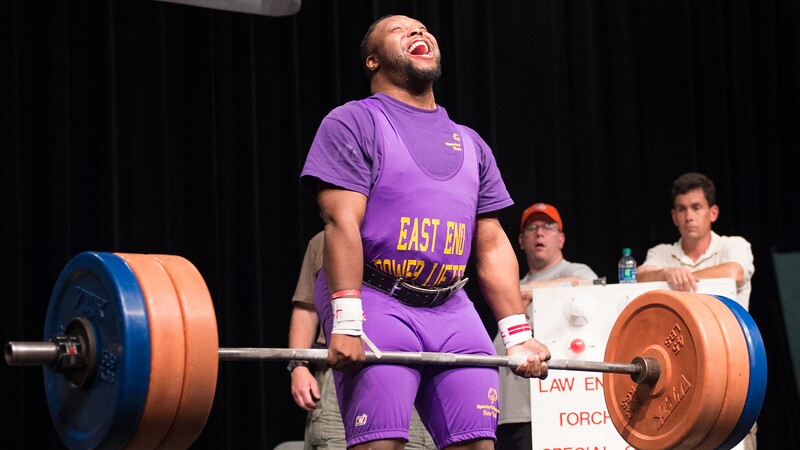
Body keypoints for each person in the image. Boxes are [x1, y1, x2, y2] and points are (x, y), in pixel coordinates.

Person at [300, 14, 551, 450]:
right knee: (383, 444)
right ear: (373, 61)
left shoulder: (471, 143)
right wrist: (346, 320)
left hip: (452, 307)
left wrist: (518, 335)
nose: (418, 32)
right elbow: (340, 223)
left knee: (476, 444)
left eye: (422, 28)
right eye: (400, 30)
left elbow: (491, 246)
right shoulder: (352, 122)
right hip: (375, 299)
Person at [636, 172, 756, 450]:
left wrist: (685, 276)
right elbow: (638, 277)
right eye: (682, 209)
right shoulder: (661, 253)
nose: (689, 216)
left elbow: (735, 272)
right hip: (681, 372)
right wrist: (667, 272)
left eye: (696, 208)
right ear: (674, 216)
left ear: (712, 213)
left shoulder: (733, 245)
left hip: (733, 368)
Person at [288, 231, 436, 450]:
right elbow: (306, 310)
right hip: (343, 369)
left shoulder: (417, 238)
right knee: (336, 444)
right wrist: (298, 367)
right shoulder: (326, 239)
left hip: (408, 369)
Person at [492, 203, 598, 450]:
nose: (539, 232)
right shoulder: (512, 287)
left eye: (548, 227)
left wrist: (529, 292)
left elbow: (593, 287)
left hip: (549, 415)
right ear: (520, 240)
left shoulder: (575, 271)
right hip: (508, 414)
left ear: (561, 239)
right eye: (532, 227)